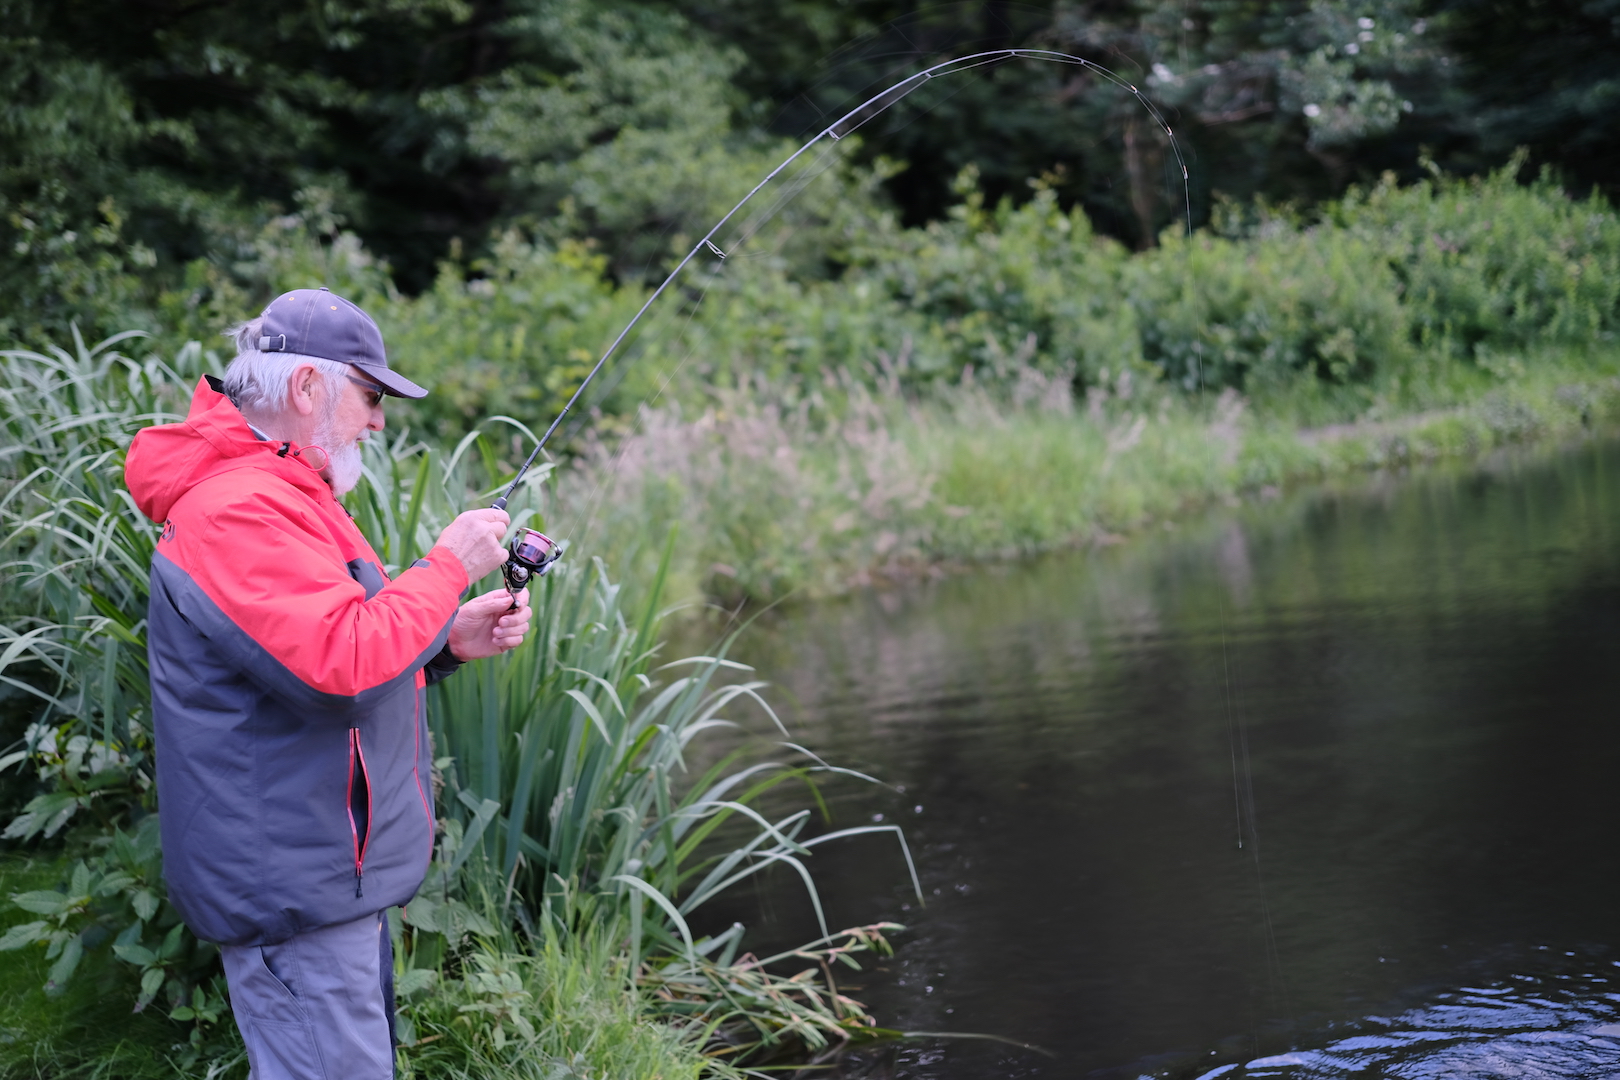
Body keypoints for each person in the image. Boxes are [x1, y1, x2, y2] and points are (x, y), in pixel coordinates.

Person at [124, 286, 530, 1080]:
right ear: (309, 388)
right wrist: (448, 568)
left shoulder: (281, 495)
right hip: (294, 893)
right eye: (370, 395)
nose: (377, 420)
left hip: (317, 882)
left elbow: (315, 653)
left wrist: (444, 641)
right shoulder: (239, 510)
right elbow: (341, 668)